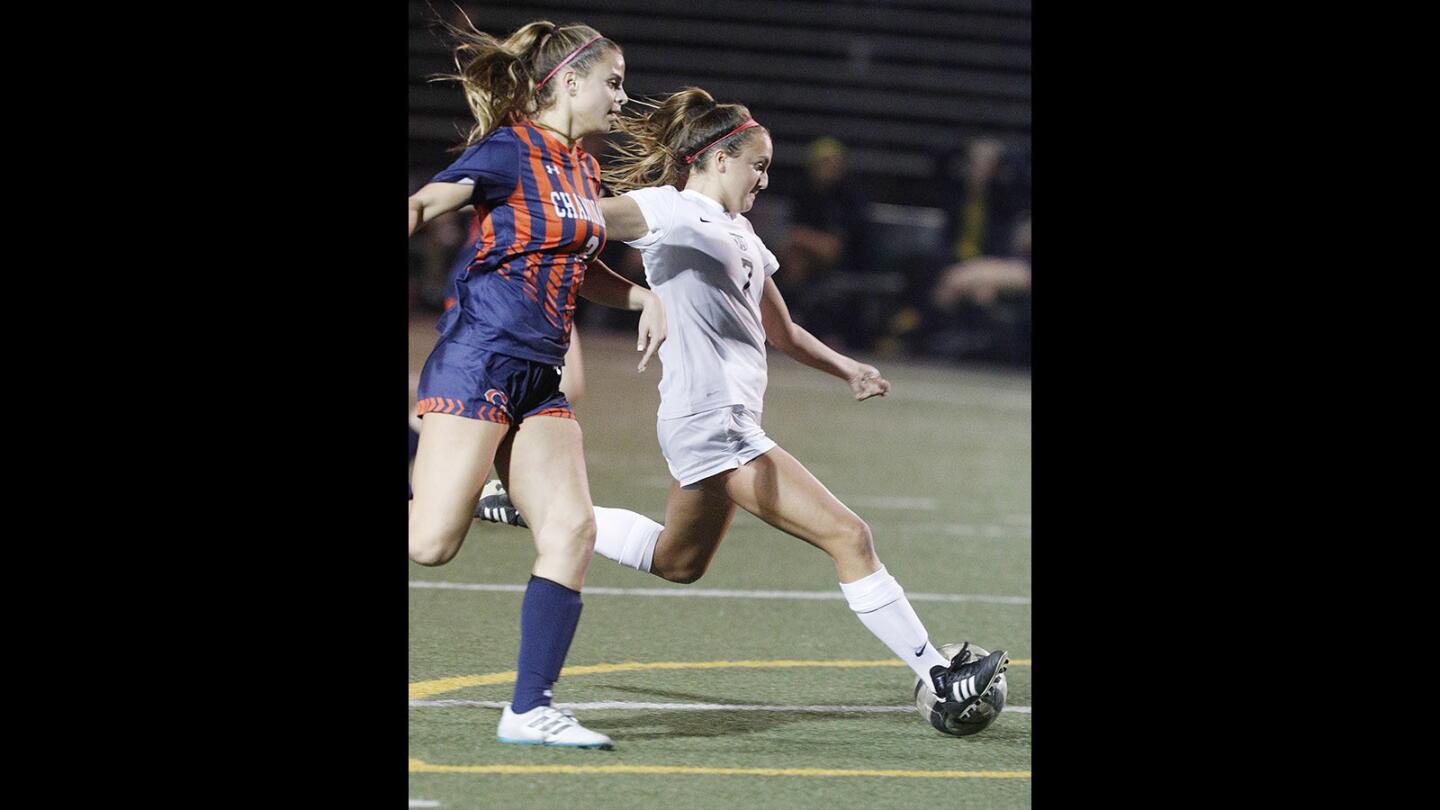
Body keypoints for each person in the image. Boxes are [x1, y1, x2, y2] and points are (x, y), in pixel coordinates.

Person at [479, 87, 1007, 721]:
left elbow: (780, 331)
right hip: (713, 424)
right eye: (758, 164)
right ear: (716, 160)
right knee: (850, 536)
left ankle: (533, 507)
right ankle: (940, 677)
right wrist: (510, 206)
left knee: (678, 561)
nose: (765, 177)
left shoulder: (744, 236)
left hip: (716, 421)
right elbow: (574, 219)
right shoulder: (667, 210)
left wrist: (847, 368)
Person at [407, 17, 666, 750]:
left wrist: (645, 296)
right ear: (570, 82)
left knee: (573, 528)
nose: (622, 96)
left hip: (539, 377)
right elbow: (428, 203)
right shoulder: (509, 149)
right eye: (612, 81)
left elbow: (581, 266)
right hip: (481, 360)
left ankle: (529, 708)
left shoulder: (583, 167)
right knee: (431, 545)